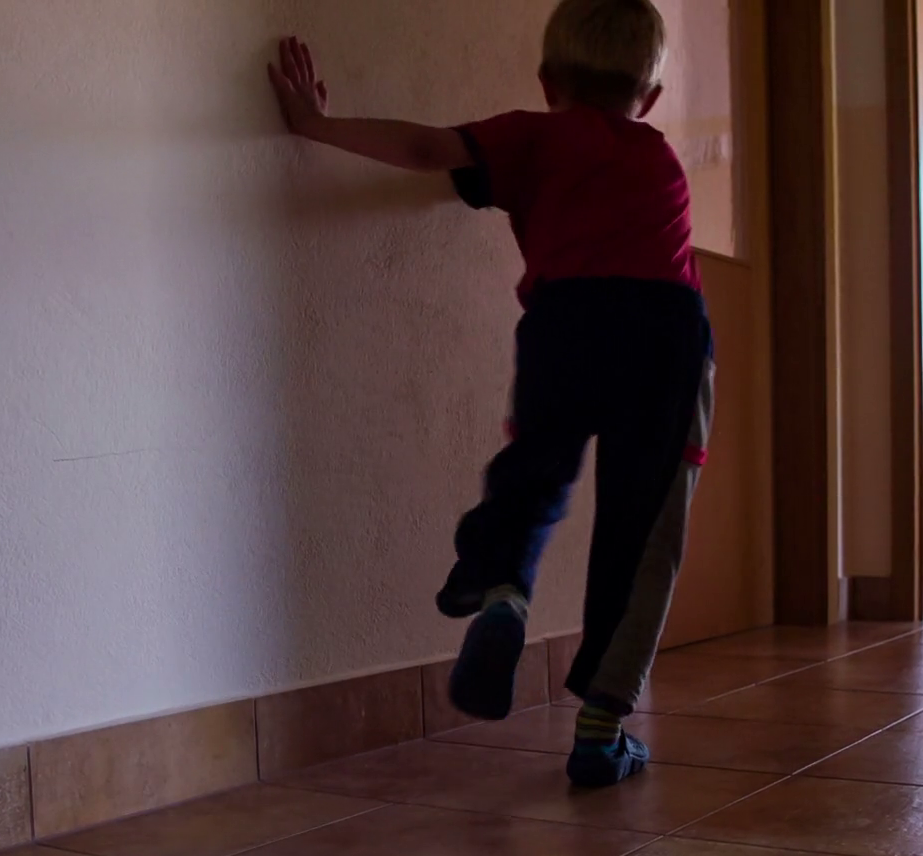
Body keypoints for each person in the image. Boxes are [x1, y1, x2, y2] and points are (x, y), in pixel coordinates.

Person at [268, 0, 710, 788]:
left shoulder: (535, 137)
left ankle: (503, 590)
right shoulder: (659, 158)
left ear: (547, 82)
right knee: (644, 528)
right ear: (648, 100)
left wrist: (314, 124)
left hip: (564, 322)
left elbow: (424, 146)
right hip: (665, 334)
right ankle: (601, 728)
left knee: (534, 471)